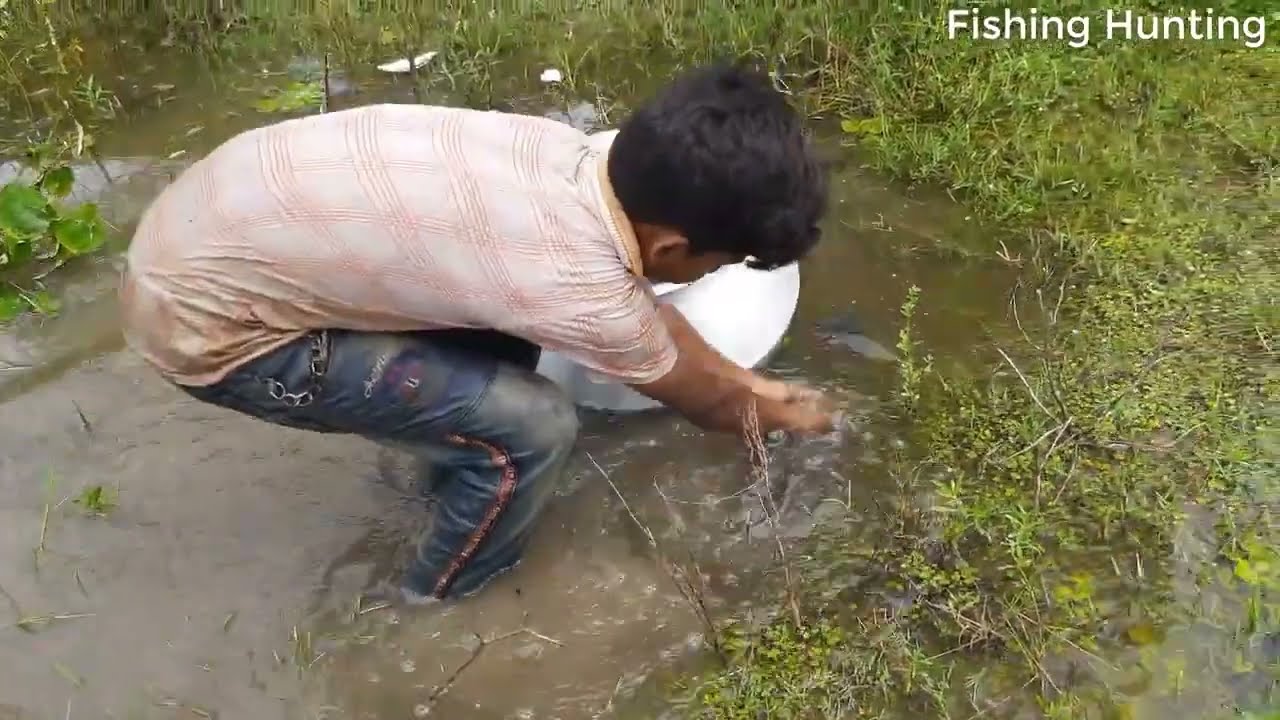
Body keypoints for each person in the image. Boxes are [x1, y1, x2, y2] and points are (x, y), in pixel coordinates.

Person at [118, 61, 838, 605]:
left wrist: (752, 384)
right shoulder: (580, 285)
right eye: (724, 261)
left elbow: (653, 324)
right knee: (536, 428)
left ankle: (447, 467)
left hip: (201, 223)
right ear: (674, 248)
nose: (720, 273)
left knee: (511, 349)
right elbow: (704, 397)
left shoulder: (568, 154)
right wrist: (801, 415)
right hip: (208, 326)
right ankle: (438, 599)